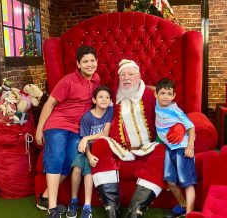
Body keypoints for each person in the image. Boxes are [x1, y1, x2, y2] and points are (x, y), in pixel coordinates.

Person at [91, 59, 184, 218]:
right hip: (120, 147)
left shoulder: (151, 95)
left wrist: (179, 126)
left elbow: (172, 111)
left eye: (131, 74)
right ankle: (111, 209)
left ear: (139, 76)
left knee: (162, 151)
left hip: (149, 145)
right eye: (123, 75)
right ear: (118, 78)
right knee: (100, 144)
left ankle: (136, 211)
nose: (126, 78)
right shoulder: (112, 98)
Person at [35, 46, 100, 218]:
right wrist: (39, 129)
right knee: (56, 156)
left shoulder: (96, 80)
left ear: (97, 62)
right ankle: (52, 209)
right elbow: (49, 104)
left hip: (77, 129)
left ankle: (45, 197)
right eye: (85, 61)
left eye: (92, 60)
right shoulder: (68, 81)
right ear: (78, 64)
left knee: (70, 160)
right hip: (57, 125)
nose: (89, 64)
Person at [67, 86, 113, 218]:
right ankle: (74, 201)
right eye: (100, 97)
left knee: (88, 172)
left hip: (100, 148)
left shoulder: (109, 111)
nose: (104, 100)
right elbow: (84, 142)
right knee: (76, 169)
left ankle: (87, 206)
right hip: (87, 149)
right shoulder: (87, 117)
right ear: (94, 100)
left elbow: (105, 133)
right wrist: (89, 153)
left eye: (107, 97)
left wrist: (87, 138)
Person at [155, 78, 197, 218]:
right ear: (156, 95)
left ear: (174, 96)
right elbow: (149, 88)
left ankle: (190, 214)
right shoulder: (157, 103)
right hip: (169, 148)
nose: (165, 97)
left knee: (187, 182)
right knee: (170, 181)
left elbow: (191, 127)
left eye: (169, 94)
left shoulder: (175, 110)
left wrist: (190, 147)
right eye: (162, 93)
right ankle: (183, 205)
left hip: (182, 147)